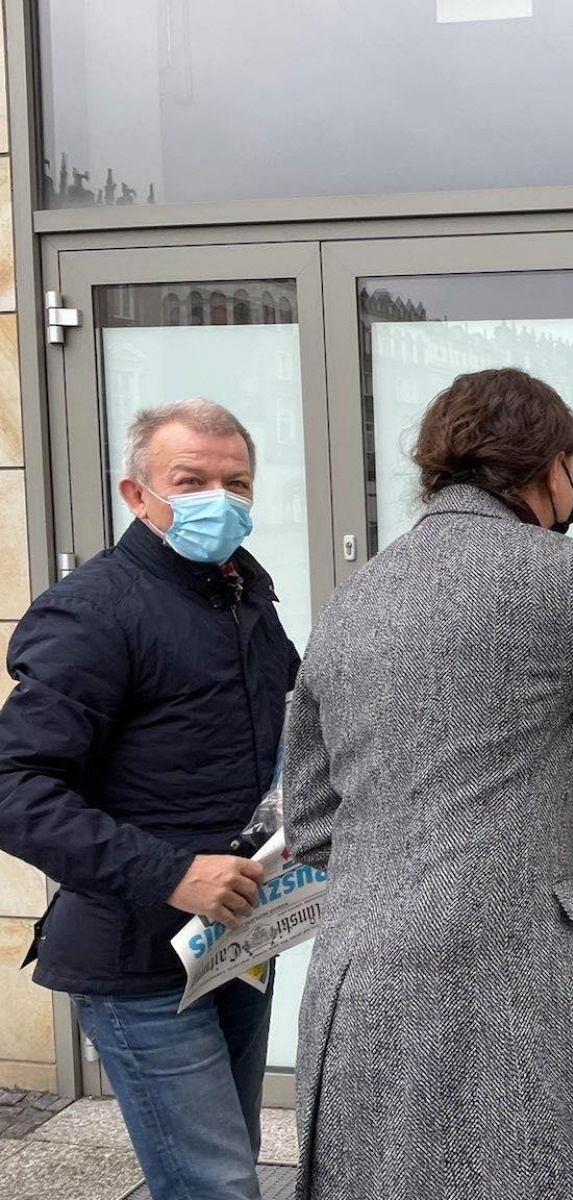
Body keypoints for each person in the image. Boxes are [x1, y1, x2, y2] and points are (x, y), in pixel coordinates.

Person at [282, 368, 573, 1200]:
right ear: (549, 468)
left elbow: (313, 820)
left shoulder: (350, 599)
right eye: (571, 468)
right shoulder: (561, 576)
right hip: (506, 971)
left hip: (357, 967)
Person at [0, 400, 298, 1200]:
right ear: (136, 494)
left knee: (227, 1162)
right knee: (216, 1185)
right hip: (134, 957)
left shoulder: (244, 598)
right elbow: (15, 789)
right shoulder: (93, 610)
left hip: (235, 937)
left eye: (236, 482)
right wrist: (169, 873)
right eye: (191, 480)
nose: (220, 499)